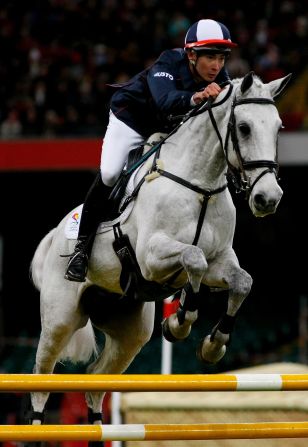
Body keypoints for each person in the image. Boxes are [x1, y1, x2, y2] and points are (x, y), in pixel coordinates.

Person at [64, 18, 237, 282]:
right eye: (210, 56)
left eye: (222, 58)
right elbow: (166, 103)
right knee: (110, 174)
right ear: (191, 53)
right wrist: (197, 97)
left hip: (167, 128)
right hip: (132, 121)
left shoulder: (220, 77)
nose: (217, 66)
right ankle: (81, 249)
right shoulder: (168, 63)